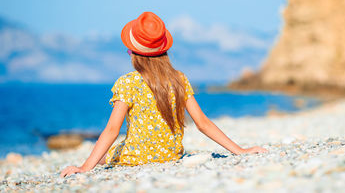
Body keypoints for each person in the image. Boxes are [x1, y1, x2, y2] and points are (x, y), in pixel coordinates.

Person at [60, 12, 266, 177]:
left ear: (135, 54)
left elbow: (112, 130)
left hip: (137, 157)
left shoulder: (128, 82)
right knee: (109, 153)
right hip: (171, 154)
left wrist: (85, 168)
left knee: (105, 155)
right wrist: (240, 151)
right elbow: (202, 123)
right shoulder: (179, 79)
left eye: (129, 51)